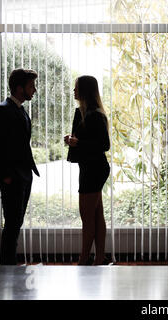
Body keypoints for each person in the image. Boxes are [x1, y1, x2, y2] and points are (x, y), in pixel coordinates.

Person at [0, 68, 40, 265]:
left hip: (24, 176)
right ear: (19, 88)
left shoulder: (20, 110)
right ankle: (6, 267)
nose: (34, 90)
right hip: (12, 177)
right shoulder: (2, 110)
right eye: (31, 86)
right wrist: (5, 175)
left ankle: (10, 265)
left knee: (16, 223)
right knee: (12, 224)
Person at [65, 75, 110, 266]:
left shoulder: (95, 114)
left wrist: (78, 143)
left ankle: (83, 260)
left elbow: (104, 145)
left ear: (85, 90)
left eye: (76, 88)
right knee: (96, 215)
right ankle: (99, 258)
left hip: (94, 169)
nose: (73, 91)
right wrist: (74, 140)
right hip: (92, 167)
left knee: (87, 217)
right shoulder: (85, 112)